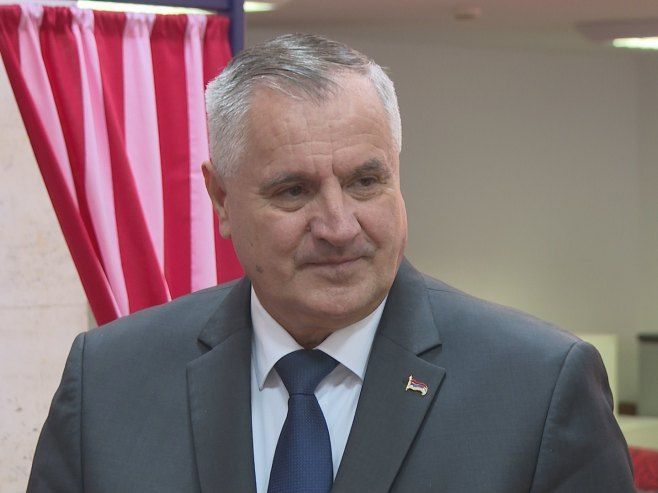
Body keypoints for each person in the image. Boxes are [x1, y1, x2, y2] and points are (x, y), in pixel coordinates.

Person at [28, 34, 634, 493]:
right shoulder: (109, 383)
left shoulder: (538, 389)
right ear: (221, 200)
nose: (339, 226)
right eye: (293, 191)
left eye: (366, 182)